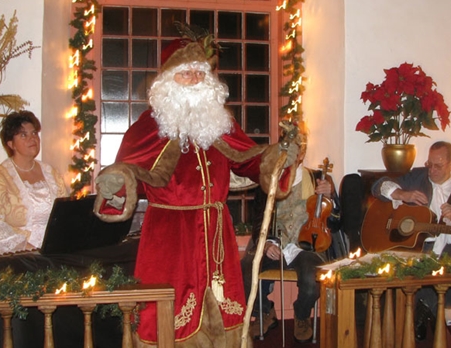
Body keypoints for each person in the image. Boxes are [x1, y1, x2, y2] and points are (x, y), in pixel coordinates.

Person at [92, 37, 299, 347]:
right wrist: (115, 181)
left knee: (223, 308)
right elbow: (127, 170)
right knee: (169, 312)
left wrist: (280, 156)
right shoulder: (149, 127)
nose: (194, 80)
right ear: (167, 80)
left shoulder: (220, 122)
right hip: (171, 238)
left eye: (200, 73)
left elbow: (249, 160)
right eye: (185, 73)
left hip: (218, 231)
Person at [371, 141, 451, 340]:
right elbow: (378, 186)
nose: (432, 170)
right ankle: (421, 313)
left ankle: (421, 310)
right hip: (419, 249)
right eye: (429, 164)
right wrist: (402, 193)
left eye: (438, 165)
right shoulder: (417, 177)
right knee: (408, 269)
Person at [240, 139, 341, 343]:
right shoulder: (268, 181)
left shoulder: (319, 179)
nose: (290, 155)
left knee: (312, 282)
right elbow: (259, 221)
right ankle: (265, 311)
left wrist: (331, 198)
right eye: (286, 150)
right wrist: (267, 243)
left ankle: (302, 315)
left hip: (307, 245)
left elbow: (337, 224)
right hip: (275, 243)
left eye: (296, 151)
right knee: (246, 268)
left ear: (302, 154)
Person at [0, 110, 67, 258]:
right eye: (24, 135)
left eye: (34, 133)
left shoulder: (51, 172)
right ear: (11, 144)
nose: (32, 138)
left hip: (55, 249)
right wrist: (28, 249)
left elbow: (64, 213)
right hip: (16, 253)